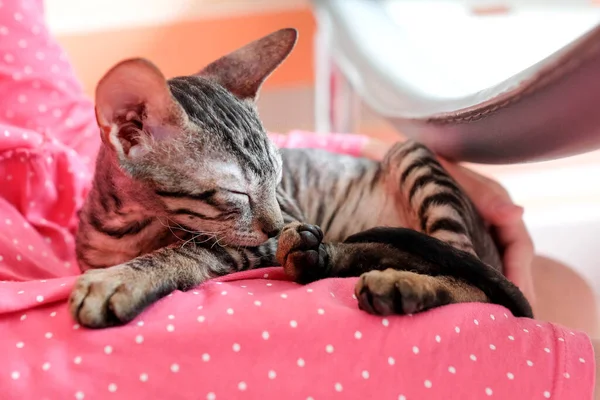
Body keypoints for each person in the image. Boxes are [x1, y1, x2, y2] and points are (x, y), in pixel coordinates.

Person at [0, 0, 596, 398]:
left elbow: (259, 218)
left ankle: (459, 283)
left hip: (395, 222)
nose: (268, 218)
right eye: (237, 197)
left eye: (270, 189)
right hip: (354, 263)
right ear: (128, 132)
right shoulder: (144, 159)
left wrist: (356, 145)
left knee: (407, 160)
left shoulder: (214, 192)